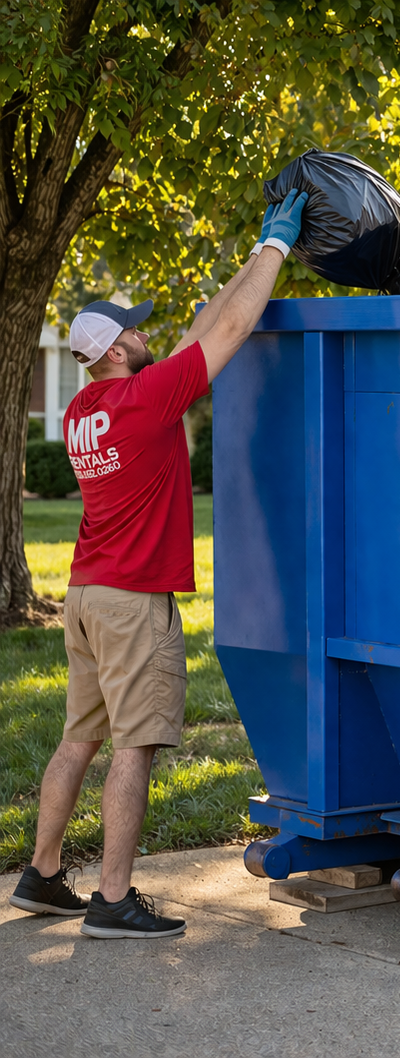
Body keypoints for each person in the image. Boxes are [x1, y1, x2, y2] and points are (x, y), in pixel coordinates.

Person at [7, 191, 306, 939]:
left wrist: (254, 254)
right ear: (115, 350)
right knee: (133, 749)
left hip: (85, 596)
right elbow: (229, 331)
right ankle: (113, 899)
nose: (146, 336)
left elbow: (207, 328)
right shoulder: (146, 401)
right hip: (133, 602)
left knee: (79, 737)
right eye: (134, 331)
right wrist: (278, 247)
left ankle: (41, 876)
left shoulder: (87, 411)